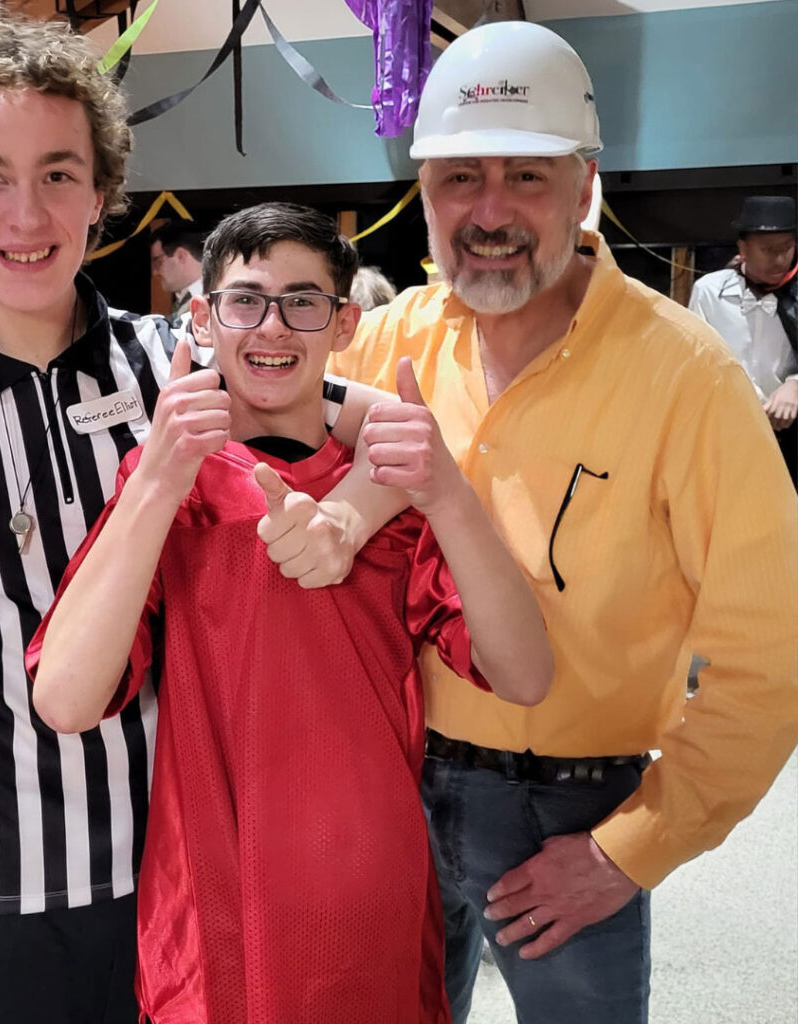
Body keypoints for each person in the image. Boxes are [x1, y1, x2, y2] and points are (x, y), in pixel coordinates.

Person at [0, 8, 400, 1021]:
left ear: (101, 191)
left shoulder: (173, 364)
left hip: (178, 864)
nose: (26, 212)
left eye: (58, 173)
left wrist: (350, 517)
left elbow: (387, 423)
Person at [329, 20, 798, 1024]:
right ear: (423, 194)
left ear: (584, 187)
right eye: (459, 178)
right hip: (385, 781)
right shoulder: (390, 340)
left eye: (525, 178)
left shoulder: (686, 380)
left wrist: (630, 849)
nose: (487, 211)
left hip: (566, 814)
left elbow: (767, 655)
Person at [28, 201, 553, 1023]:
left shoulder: (394, 487)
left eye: (303, 302)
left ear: (343, 322)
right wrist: (160, 481)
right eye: (246, 299)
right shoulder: (169, 478)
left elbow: (524, 673)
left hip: (365, 894)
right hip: (212, 900)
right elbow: (64, 698)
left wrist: (444, 489)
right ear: (201, 316)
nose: (273, 327)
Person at [689, 195, 797, 486]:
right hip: (728, 431)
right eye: (767, 249)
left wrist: (795, 383)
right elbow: (697, 360)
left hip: (791, 433)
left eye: (787, 247)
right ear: (743, 248)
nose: (779, 258)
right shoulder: (710, 292)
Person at [150, 221, 205, 319]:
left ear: (181, 256)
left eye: (158, 262)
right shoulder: (184, 298)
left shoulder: (215, 299)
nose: (155, 272)